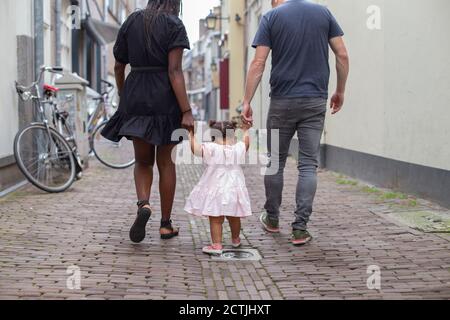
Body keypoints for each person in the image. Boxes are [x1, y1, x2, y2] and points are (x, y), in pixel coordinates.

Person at [242, 0, 350, 245]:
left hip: (282, 100)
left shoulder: (271, 18)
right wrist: (340, 90)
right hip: (315, 101)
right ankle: (300, 228)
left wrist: (246, 100)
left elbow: (258, 63)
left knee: (275, 162)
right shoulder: (323, 13)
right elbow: (342, 54)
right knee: (308, 165)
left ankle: (272, 218)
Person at [101, 0, 194, 243]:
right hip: (165, 97)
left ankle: (144, 204)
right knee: (166, 163)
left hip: (136, 95)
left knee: (143, 161)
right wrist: (186, 110)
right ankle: (165, 224)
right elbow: (175, 71)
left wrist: (124, 94)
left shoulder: (131, 21)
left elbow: (119, 65)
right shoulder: (174, 24)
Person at [185, 121, 252, 255]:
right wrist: (246, 130)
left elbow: (195, 149)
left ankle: (216, 245)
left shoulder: (211, 148)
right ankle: (235, 239)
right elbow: (246, 143)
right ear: (233, 136)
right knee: (234, 216)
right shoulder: (238, 147)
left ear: (213, 137)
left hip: (215, 188)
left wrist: (191, 134)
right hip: (234, 188)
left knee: (216, 218)